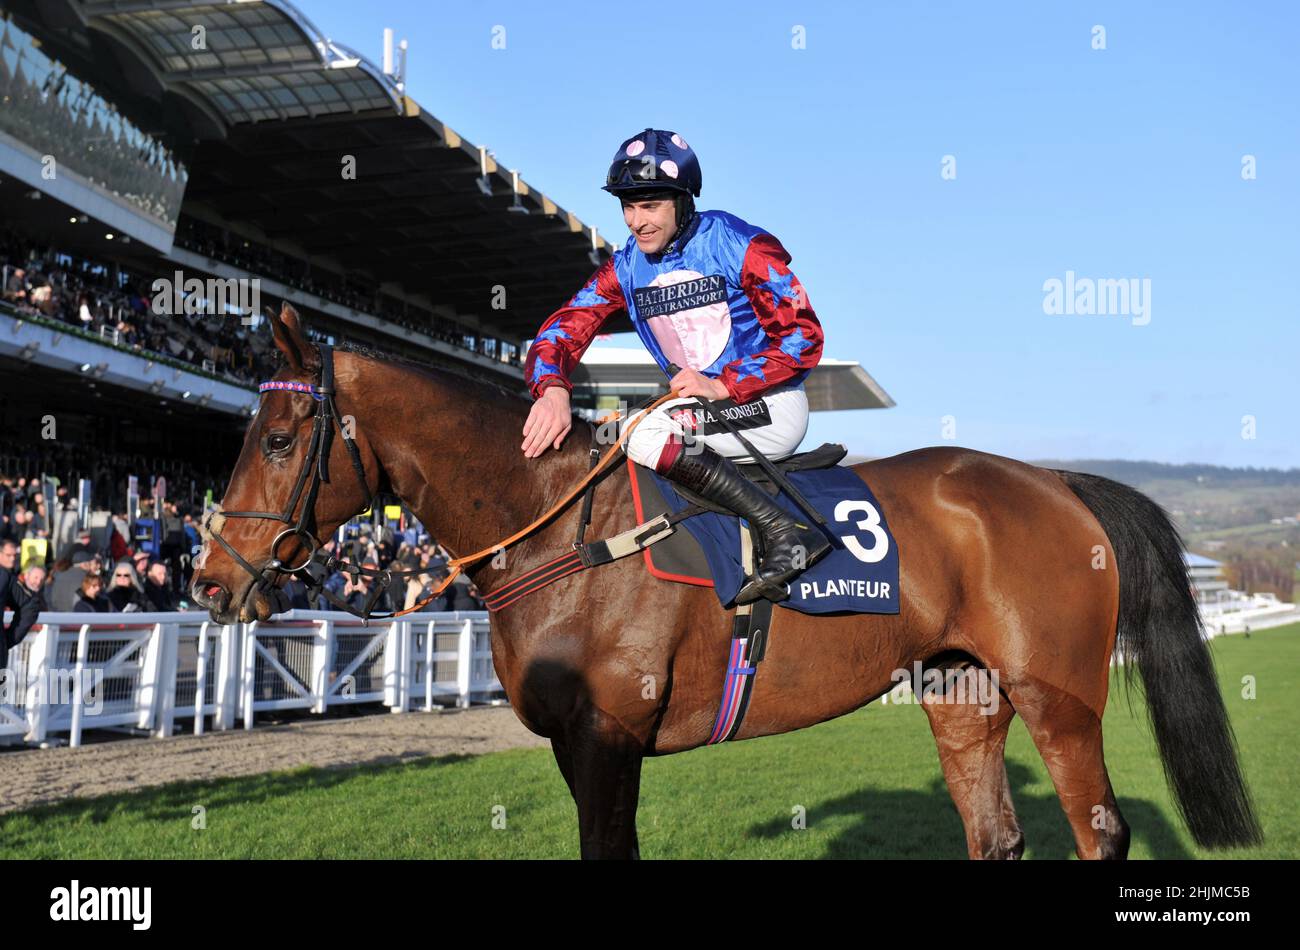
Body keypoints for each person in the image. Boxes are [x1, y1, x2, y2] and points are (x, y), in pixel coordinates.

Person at [521, 128, 830, 604]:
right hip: (705, 410)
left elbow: (803, 335)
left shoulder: (737, 243)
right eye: (627, 206)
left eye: (650, 206)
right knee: (611, 433)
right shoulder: (625, 267)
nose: (635, 221)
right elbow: (563, 328)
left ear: (683, 201)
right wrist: (553, 389)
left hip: (766, 403)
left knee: (636, 432)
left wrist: (724, 383)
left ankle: (786, 532)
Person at [0, 539, 41, 653]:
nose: (13, 559)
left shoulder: (7, 578)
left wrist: (7, 640)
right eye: (9, 555)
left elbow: (30, 605)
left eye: (15, 555)